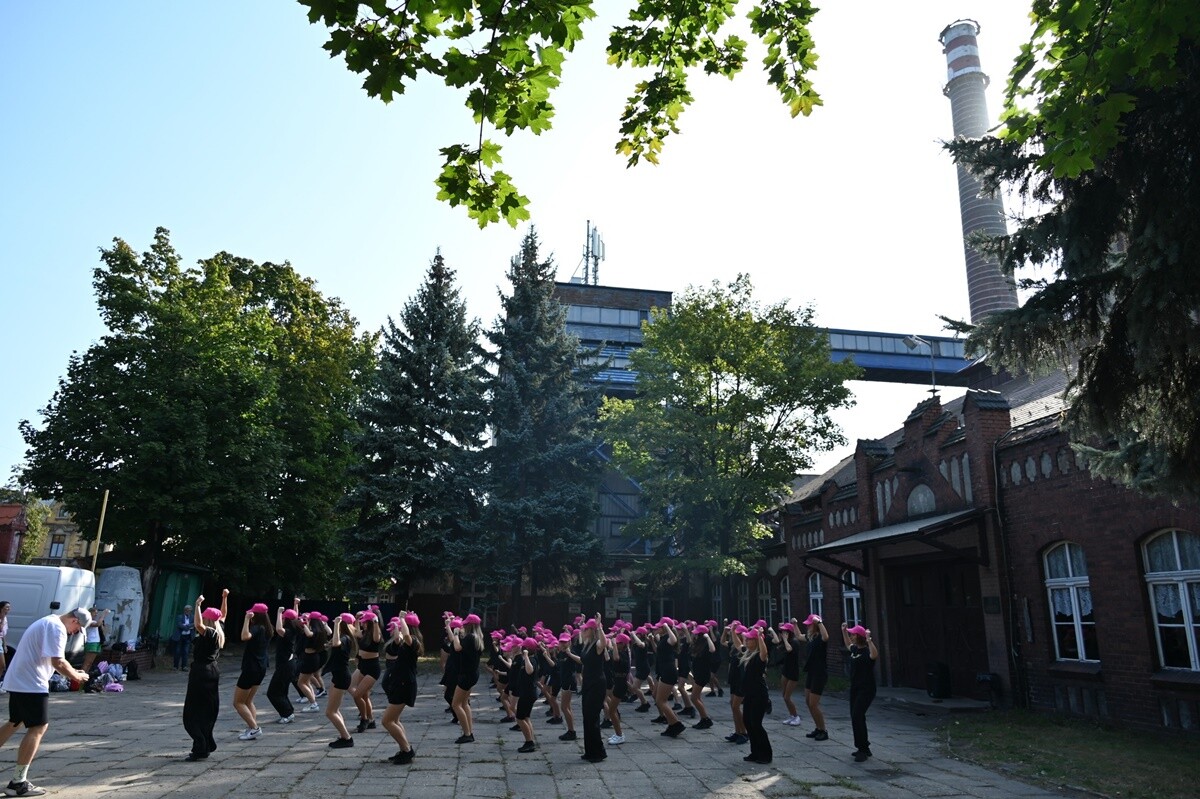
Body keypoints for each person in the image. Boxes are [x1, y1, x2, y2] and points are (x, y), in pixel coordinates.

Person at [0, 607, 91, 796]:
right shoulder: (56, 627)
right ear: (74, 620)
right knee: (39, 727)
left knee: (15, 722)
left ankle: (18, 780)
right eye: (78, 629)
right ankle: (18, 782)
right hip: (30, 683)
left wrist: (74, 672)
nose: (74, 633)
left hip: (20, 680)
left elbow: (53, 661)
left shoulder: (48, 621)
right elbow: (58, 661)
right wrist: (76, 677)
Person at [182, 591, 228, 762]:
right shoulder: (219, 631)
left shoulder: (209, 633)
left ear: (208, 619)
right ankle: (204, 744)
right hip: (212, 672)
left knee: (193, 712)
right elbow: (223, 614)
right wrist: (224, 598)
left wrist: (197, 605)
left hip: (201, 673)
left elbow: (197, 624)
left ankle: (201, 746)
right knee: (207, 710)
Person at [380, 613, 421, 764]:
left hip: (404, 685)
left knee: (387, 721)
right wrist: (397, 624)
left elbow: (405, 635)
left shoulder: (413, 641)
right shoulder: (404, 642)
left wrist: (401, 618)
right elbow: (398, 638)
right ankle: (404, 749)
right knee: (394, 720)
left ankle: (407, 750)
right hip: (400, 683)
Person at [234, 602, 273, 741]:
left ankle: (255, 728)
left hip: (251, 668)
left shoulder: (257, 628)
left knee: (238, 702)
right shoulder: (268, 629)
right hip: (261, 667)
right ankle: (252, 728)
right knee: (249, 700)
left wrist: (246, 620)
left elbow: (244, 636)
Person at [843, 623, 879, 762]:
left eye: (853, 634)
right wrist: (844, 632)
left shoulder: (866, 652)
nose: (851, 636)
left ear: (859, 637)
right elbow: (847, 644)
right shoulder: (854, 650)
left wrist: (869, 640)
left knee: (857, 715)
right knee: (855, 716)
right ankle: (863, 747)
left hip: (867, 689)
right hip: (855, 688)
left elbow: (874, 655)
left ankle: (863, 750)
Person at [448, 613, 483, 744]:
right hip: (472, 674)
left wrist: (456, 633)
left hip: (466, 675)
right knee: (464, 703)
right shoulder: (477, 637)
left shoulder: (470, 638)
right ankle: (469, 732)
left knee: (456, 704)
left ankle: (467, 734)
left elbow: (457, 647)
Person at [740, 626, 772, 765]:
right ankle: (755, 752)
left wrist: (759, 636)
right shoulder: (748, 654)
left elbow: (764, 652)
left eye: (749, 639)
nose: (746, 641)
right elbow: (737, 644)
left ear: (756, 641)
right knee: (747, 721)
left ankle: (766, 754)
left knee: (756, 724)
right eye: (746, 639)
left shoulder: (760, 656)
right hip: (749, 694)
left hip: (759, 694)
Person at [325, 613, 358, 748]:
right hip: (339, 676)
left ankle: (347, 738)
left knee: (330, 712)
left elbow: (336, 643)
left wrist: (336, 624)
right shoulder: (347, 637)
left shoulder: (344, 638)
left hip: (341, 677)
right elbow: (333, 642)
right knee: (335, 710)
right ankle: (344, 735)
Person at [578, 616, 608, 762]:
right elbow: (583, 660)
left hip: (597, 684)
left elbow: (605, 642)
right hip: (588, 683)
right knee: (586, 718)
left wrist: (599, 626)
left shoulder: (597, 644)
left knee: (592, 718)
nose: (583, 631)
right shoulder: (587, 644)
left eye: (586, 629)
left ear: (592, 630)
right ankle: (589, 751)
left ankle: (598, 752)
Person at [350, 610, 382, 733]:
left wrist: (375, 622)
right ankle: (371, 720)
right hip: (363, 665)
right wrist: (356, 619)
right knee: (364, 695)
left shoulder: (375, 633)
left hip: (372, 668)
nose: (362, 624)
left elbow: (377, 637)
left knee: (357, 695)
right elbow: (355, 632)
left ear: (369, 623)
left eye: (364, 622)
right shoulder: (363, 633)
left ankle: (364, 719)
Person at [266, 606, 299, 725]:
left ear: (286, 620)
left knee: (273, 692)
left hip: (286, 666)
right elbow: (294, 616)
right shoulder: (294, 629)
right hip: (287, 665)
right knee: (281, 691)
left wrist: (279, 613)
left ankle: (287, 713)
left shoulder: (289, 632)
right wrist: (295, 605)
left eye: (284, 618)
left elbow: (279, 629)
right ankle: (288, 712)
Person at [801, 614, 830, 741]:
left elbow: (826, 636)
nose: (807, 626)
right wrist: (794, 625)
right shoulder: (811, 637)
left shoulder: (820, 639)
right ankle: (818, 728)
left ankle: (823, 730)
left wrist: (819, 623)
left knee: (813, 703)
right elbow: (798, 636)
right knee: (808, 701)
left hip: (819, 673)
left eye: (809, 624)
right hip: (811, 672)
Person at [80, 608, 110, 674]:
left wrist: (102, 623)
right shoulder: (88, 621)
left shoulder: (94, 621)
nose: (96, 614)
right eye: (95, 612)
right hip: (91, 643)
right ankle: (80, 679)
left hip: (97, 643)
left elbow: (102, 629)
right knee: (86, 663)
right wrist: (103, 614)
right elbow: (97, 625)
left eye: (96, 612)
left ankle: (85, 678)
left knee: (90, 663)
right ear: (90, 613)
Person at [172, 604, 195, 671]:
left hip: (188, 637)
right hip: (180, 636)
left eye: (190, 611)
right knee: (177, 651)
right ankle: (175, 666)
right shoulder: (180, 616)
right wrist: (188, 627)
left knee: (186, 652)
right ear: (184, 610)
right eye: (187, 610)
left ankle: (184, 666)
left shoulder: (192, 617)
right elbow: (179, 625)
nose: (188, 612)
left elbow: (194, 624)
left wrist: (186, 625)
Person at [0, 601, 9, 682]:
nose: (8, 609)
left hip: (0, 641)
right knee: (2, 665)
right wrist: (2, 618)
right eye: (6, 607)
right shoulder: (2, 618)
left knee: (2, 666)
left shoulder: (5, 618)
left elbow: (3, 633)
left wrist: (4, 644)